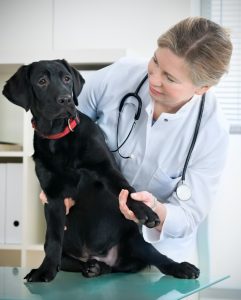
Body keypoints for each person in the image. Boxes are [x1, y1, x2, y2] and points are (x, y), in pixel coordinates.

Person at [41, 17, 232, 264]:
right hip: (86, 237)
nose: (154, 79)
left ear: (202, 87)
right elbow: (64, 120)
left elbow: (188, 214)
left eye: (170, 78)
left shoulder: (212, 133)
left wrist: (156, 211)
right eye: (155, 61)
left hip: (153, 259)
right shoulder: (121, 74)